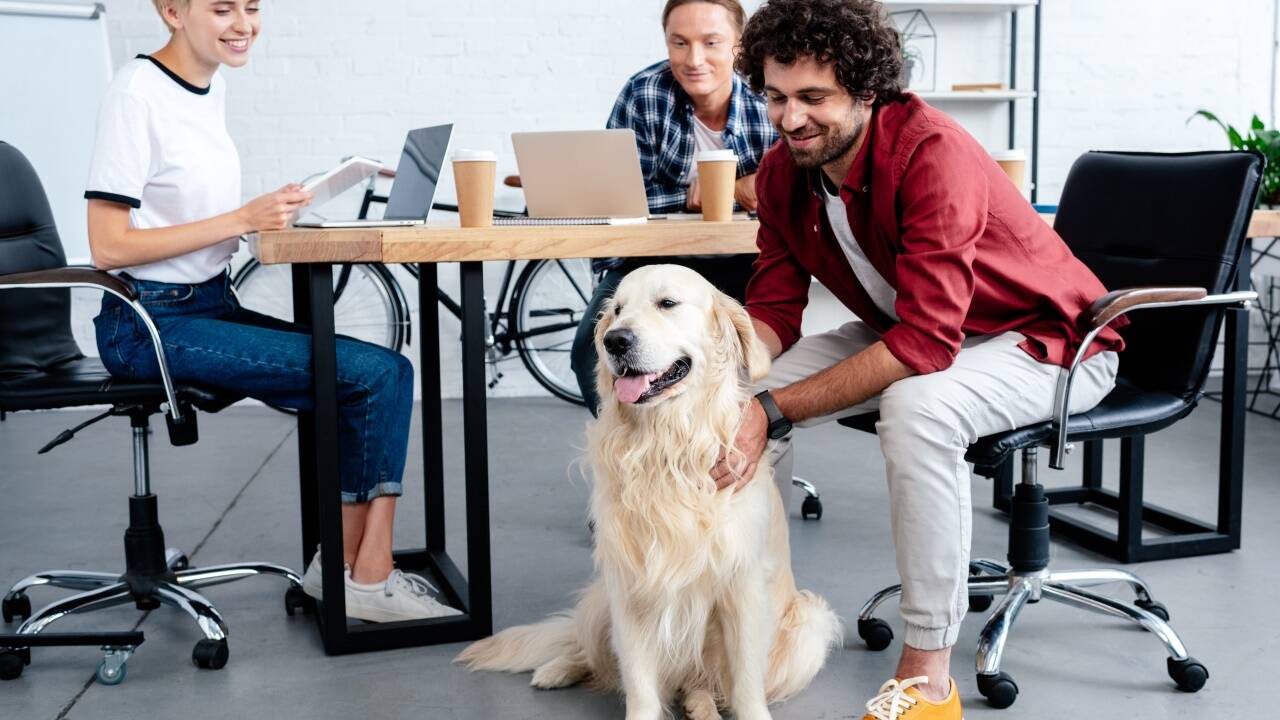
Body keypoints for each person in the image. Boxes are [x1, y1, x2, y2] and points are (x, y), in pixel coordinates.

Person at [718, 1, 1125, 717]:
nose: (789, 119)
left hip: (1051, 344)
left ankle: (928, 671)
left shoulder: (932, 154)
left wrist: (772, 410)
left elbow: (925, 345)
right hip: (927, 333)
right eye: (777, 97)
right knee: (726, 398)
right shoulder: (784, 173)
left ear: (866, 90)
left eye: (814, 98)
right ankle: (741, 622)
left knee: (915, 404)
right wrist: (733, 383)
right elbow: (776, 311)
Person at [85, 0, 457, 623]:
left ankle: (339, 569)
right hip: (146, 323)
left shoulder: (210, 89)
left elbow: (186, 219)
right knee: (379, 376)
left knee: (379, 372)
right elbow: (107, 246)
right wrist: (241, 218)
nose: (243, 24)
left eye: (253, 8)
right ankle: (367, 575)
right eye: (222, 8)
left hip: (207, 302)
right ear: (172, 10)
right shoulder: (137, 92)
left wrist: (280, 214)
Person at [569, 0, 777, 416]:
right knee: (586, 355)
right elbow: (618, 200)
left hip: (747, 262)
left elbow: (795, 196)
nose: (693, 59)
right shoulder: (643, 94)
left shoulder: (769, 98)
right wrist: (695, 195)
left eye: (711, 42)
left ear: (739, 45)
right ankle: (634, 453)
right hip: (650, 262)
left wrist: (740, 190)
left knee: (750, 354)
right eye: (679, 43)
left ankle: (728, 454)